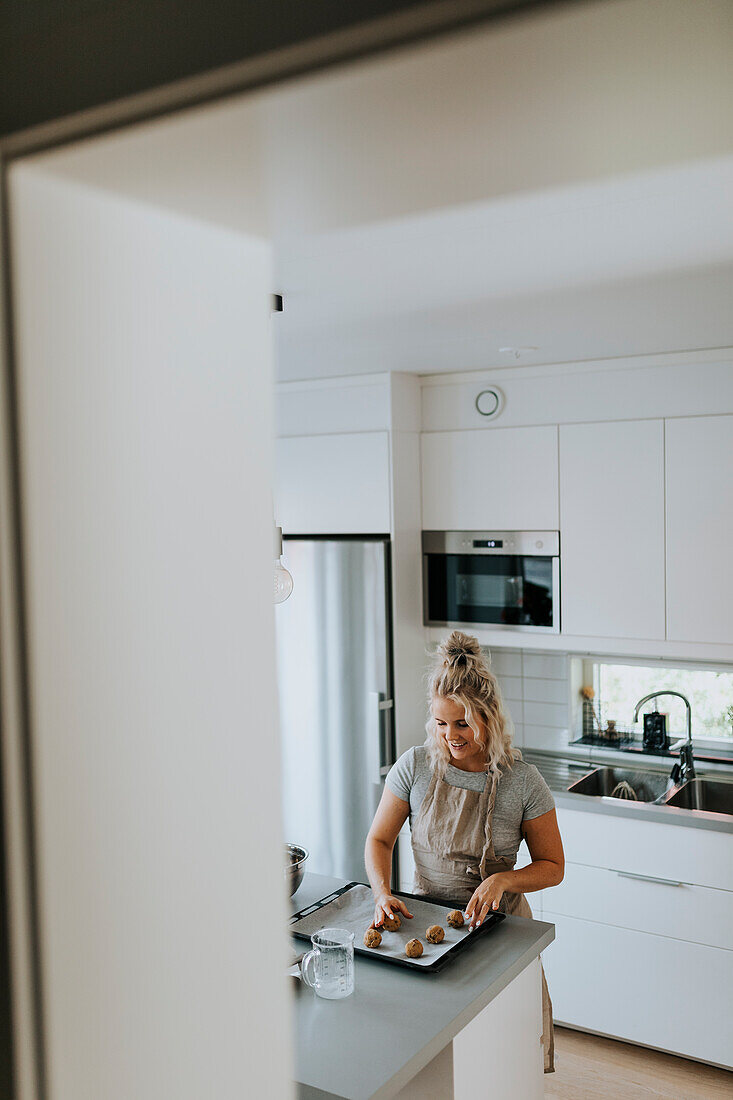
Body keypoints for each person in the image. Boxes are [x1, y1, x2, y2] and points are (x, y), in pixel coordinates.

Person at [364, 630, 564, 1073]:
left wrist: (503, 879)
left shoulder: (522, 780)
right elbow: (379, 839)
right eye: (440, 723)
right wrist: (381, 893)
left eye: (462, 723)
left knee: (506, 1059)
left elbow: (554, 867)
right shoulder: (415, 765)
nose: (450, 736)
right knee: (443, 1061)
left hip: (501, 932)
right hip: (430, 926)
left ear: (489, 718)